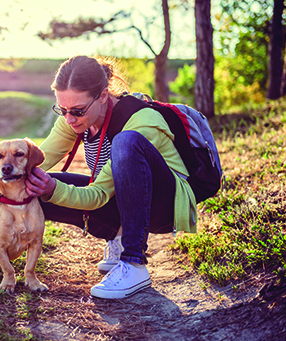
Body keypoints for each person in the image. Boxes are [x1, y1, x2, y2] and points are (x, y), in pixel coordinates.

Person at [25, 55, 197, 299]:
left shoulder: (141, 121)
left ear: (103, 96)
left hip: (162, 205)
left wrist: (54, 189)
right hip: (120, 198)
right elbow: (37, 160)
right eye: (62, 109)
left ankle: (134, 263)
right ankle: (117, 236)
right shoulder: (74, 119)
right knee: (31, 186)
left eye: (77, 110)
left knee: (125, 142)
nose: (69, 118)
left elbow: (97, 195)